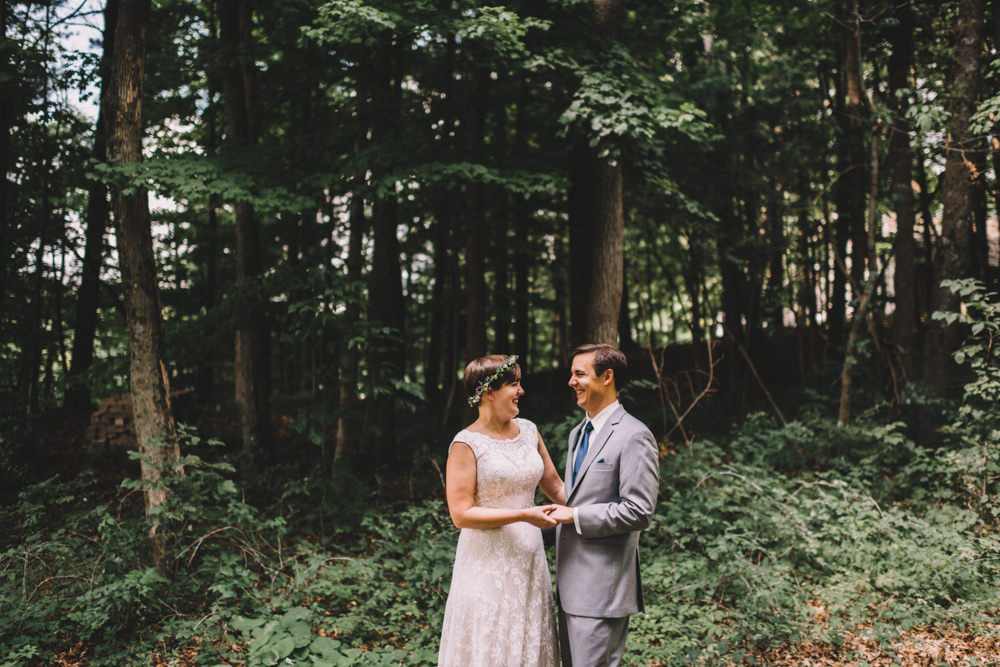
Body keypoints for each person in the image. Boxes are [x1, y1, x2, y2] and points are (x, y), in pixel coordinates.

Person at [437, 354, 565, 667]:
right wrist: (524, 515)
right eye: (514, 384)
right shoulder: (465, 444)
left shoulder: (530, 431)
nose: (521, 391)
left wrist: (597, 510)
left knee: (528, 641)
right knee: (490, 644)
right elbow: (461, 515)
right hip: (486, 564)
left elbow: (558, 489)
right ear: (488, 392)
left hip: (529, 559)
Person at [545, 343, 660, 667]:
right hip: (568, 587)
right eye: (571, 374)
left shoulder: (634, 435)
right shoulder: (577, 433)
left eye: (579, 374)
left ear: (607, 376)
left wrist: (576, 515)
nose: (571, 382)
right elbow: (578, 496)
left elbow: (639, 510)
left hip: (602, 590)